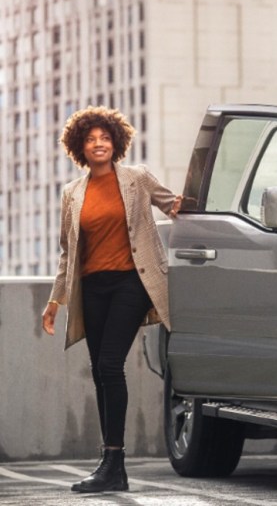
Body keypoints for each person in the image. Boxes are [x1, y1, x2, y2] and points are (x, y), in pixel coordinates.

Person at [41, 106, 182, 493]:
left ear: (115, 142)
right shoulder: (72, 193)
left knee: (109, 365)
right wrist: (55, 300)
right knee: (101, 374)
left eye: (104, 137)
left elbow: (173, 204)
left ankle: (113, 462)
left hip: (131, 284)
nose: (98, 143)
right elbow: (67, 252)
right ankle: (111, 467)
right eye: (91, 139)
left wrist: (200, 207)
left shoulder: (137, 179)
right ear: (79, 147)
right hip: (93, 288)